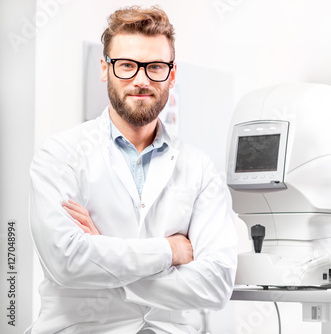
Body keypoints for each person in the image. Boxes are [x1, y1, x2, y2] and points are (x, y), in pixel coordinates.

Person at [27, 5, 237, 334]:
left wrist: (105, 257)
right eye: (126, 65)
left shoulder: (199, 169)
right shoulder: (61, 155)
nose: (140, 80)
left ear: (172, 73)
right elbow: (66, 263)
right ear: (104, 68)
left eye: (154, 66)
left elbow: (216, 284)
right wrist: (171, 250)